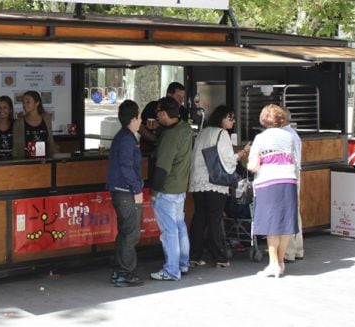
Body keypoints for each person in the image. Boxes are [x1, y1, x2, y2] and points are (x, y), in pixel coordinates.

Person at [188, 105, 250, 268]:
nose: (233, 121)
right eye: (230, 118)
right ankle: (220, 258)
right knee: (215, 219)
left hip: (198, 181)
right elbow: (228, 160)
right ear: (221, 118)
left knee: (199, 218)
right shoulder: (222, 133)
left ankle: (194, 256)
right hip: (214, 182)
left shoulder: (203, 132)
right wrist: (242, 153)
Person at [247, 104, 299, 278]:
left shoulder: (260, 138)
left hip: (268, 182)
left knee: (271, 225)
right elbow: (296, 161)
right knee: (285, 225)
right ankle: (281, 262)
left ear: (264, 119)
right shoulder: (290, 137)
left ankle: (273, 264)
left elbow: (253, 166)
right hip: (288, 180)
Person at [149, 96, 193, 281]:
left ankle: (171, 270)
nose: (157, 117)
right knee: (179, 226)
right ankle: (182, 263)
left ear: (164, 113)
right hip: (180, 188)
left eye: (158, 113)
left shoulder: (169, 137)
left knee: (169, 231)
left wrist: (153, 192)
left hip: (166, 190)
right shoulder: (185, 128)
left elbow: (162, 168)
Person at [106, 100, 145, 287]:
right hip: (126, 192)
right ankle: (125, 273)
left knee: (124, 232)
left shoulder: (122, 136)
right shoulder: (128, 139)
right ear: (134, 118)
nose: (141, 121)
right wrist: (137, 188)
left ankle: (118, 271)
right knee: (131, 233)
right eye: (139, 117)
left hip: (119, 191)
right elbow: (126, 166)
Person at [281, 108, 304, 263]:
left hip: (286, 173)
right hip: (295, 173)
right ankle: (297, 249)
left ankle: (287, 251)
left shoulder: (284, 136)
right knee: (294, 212)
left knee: (286, 212)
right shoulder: (293, 134)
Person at [12, 91, 57, 159]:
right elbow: (15, 148)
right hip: (26, 163)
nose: (24, 105)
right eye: (23, 102)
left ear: (37, 103)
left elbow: (51, 142)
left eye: (28, 102)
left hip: (45, 162)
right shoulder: (18, 123)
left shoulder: (47, 119)